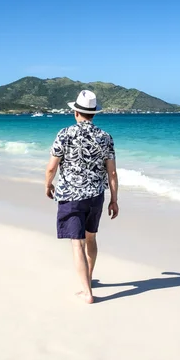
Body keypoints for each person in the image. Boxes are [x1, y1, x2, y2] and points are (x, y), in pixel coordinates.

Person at [45, 90, 119, 304]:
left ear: (76, 112)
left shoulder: (64, 134)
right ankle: (89, 278)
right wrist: (114, 199)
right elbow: (112, 173)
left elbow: (52, 167)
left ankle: (87, 293)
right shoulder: (105, 137)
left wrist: (48, 185)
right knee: (91, 238)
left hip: (71, 195)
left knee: (77, 243)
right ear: (94, 113)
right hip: (96, 196)